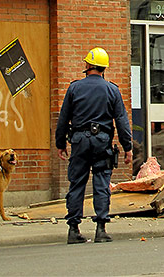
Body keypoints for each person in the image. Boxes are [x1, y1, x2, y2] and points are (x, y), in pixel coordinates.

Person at [55, 46, 133, 244]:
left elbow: (63, 118)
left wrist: (60, 143)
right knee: (101, 183)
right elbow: (122, 121)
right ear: (104, 68)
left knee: (77, 183)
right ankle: (100, 229)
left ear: (88, 65)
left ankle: (73, 229)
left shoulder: (74, 88)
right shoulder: (112, 90)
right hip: (102, 142)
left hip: (79, 141)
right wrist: (128, 147)